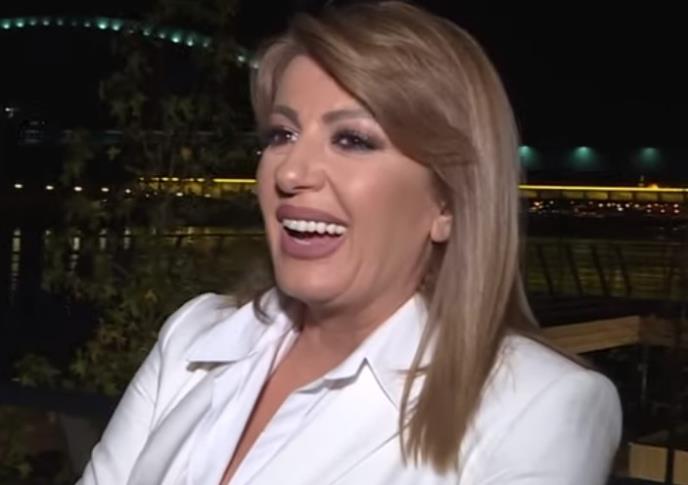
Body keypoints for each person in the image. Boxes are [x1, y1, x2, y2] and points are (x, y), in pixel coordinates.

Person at [77, 1, 622, 484]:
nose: (291, 171)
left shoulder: (539, 405)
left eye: (352, 139)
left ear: (449, 203)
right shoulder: (192, 338)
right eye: (282, 134)